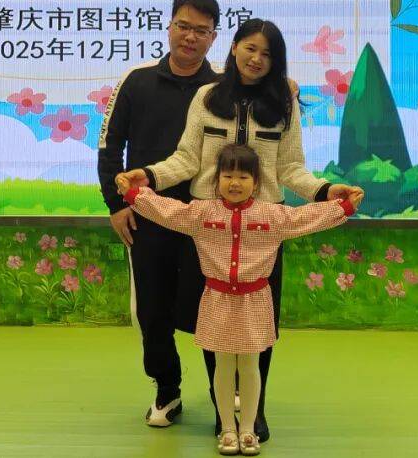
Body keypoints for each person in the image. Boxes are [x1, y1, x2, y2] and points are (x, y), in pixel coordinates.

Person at [115, 18, 363, 441]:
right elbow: (186, 159)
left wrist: (326, 191)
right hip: (210, 224)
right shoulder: (206, 96)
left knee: (258, 324)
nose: (257, 59)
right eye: (250, 48)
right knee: (214, 322)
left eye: (267, 54)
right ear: (233, 48)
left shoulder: (284, 104)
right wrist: (149, 176)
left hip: (263, 227)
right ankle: (223, 414)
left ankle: (254, 412)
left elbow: (290, 167)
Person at [117, 144, 359, 455]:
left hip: (255, 300)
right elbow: (166, 210)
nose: (235, 183)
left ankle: (247, 429)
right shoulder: (200, 213)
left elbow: (306, 216)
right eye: (227, 176)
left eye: (243, 177)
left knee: (250, 366)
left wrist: (344, 207)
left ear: (256, 183)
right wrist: (133, 194)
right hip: (216, 299)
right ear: (215, 180)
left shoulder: (273, 215)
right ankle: (227, 430)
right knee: (221, 366)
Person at [98, 0, 223, 428]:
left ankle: (223, 396)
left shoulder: (223, 87)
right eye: (183, 26)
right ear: (169, 26)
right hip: (148, 215)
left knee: (214, 308)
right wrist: (116, 205)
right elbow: (109, 146)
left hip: (208, 218)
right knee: (152, 311)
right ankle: (167, 390)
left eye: (201, 31)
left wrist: (287, 85)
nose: (190, 37)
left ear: (213, 37)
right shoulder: (136, 81)